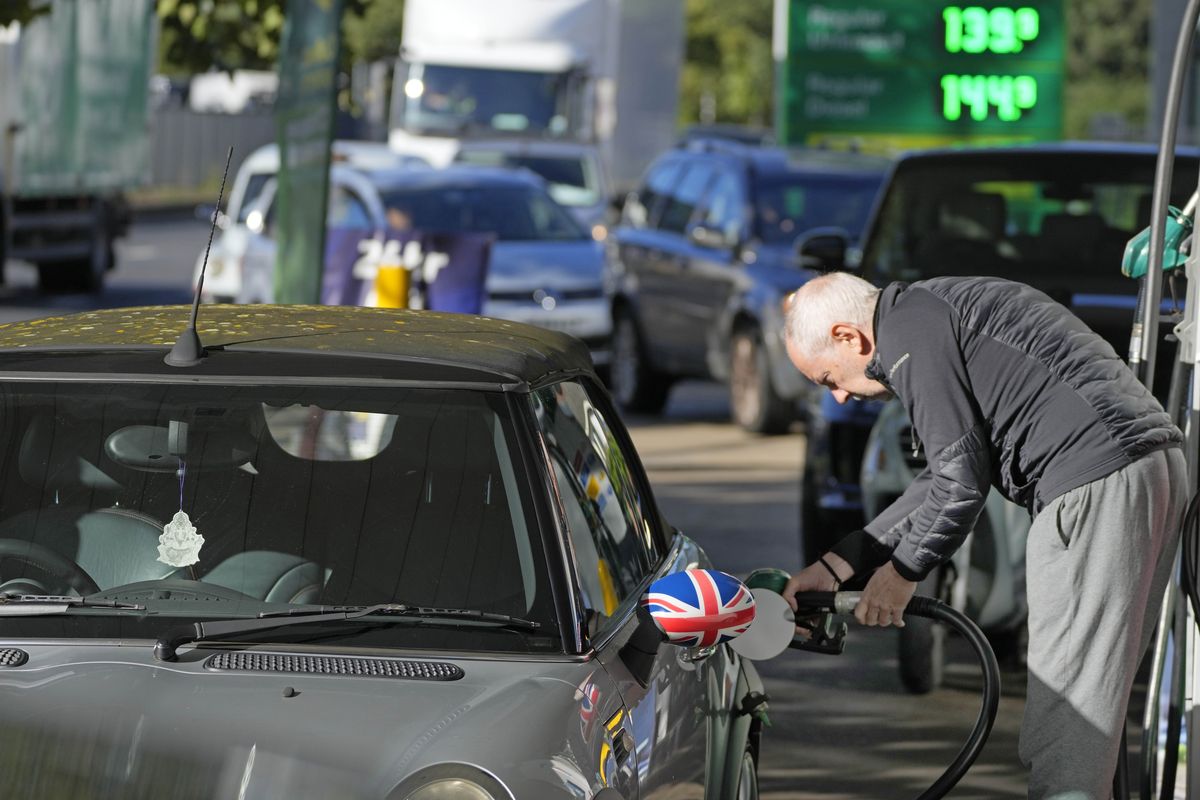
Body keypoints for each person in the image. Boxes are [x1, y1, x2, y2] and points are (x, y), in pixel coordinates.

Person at [781, 272, 1188, 798]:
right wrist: (841, 563)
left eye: (828, 378)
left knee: (1069, 721)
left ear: (848, 337)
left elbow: (959, 484)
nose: (837, 397)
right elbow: (942, 477)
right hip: (1149, 468)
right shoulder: (930, 310)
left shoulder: (908, 334)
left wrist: (902, 574)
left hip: (1093, 485)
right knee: (1094, 707)